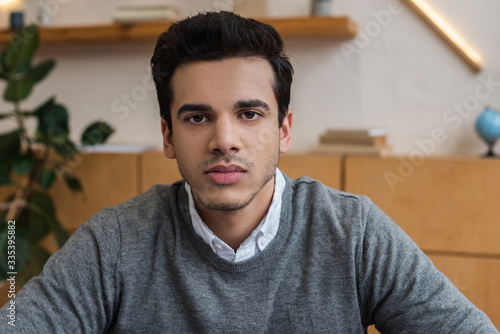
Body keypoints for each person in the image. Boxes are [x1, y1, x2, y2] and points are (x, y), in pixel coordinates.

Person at [1, 11, 498, 334]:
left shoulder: (353, 232)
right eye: (197, 117)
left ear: (284, 129)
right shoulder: (114, 242)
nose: (224, 140)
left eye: (250, 114)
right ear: (168, 136)